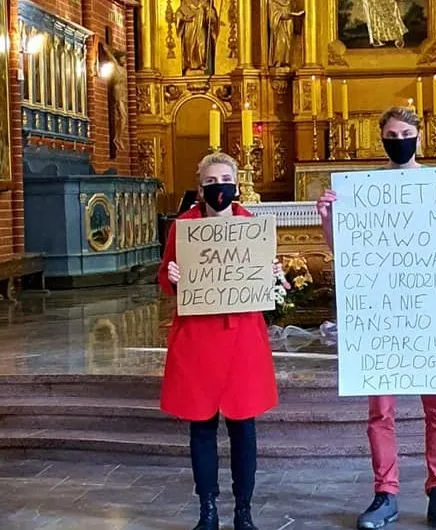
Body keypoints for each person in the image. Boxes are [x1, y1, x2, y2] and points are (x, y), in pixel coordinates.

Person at [316, 106, 436, 530]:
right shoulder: (365, 191)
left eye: (406, 132)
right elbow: (347, 255)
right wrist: (328, 219)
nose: (399, 139)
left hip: (431, 312)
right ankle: (385, 493)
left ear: (419, 136)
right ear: (382, 139)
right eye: (391, 134)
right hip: (383, 315)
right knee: (381, 411)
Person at [158, 152, 278, 530]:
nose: (218, 187)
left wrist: (270, 271)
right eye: (211, 182)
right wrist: (173, 275)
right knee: (201, 425)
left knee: (244, 426)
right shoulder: (184, 227)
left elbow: (262, 279)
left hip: (242, 340)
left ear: (236, 183)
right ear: (200, 187)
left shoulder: (251, 226)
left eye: (224, 179)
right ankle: (207, 510)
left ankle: (244, 509)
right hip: (198, 339)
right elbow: (164, 279)